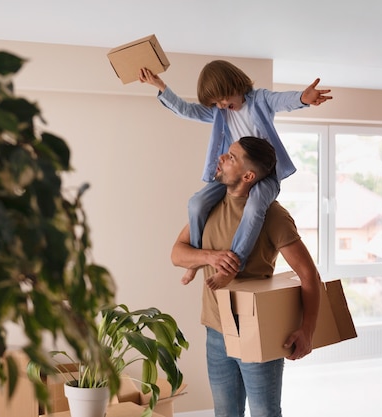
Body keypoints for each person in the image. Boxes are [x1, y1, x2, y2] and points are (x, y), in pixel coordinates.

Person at [139, 61, 332, 285]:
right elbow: (186, 110)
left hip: (265, 173)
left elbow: (282, 100)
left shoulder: (260, 100)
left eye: (223, 98)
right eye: (215, 103)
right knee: (196, 204)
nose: (221, 105)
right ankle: (196, 261)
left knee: (255, 206)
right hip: (235, 172)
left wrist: (302, 98)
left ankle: (234, 264)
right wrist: (160, 86)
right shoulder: (220, 113)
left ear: (235, 85)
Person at [170, 136, 321, 417]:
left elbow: (309, 274)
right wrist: (210, 257)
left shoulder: (274, 216)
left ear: (248, 175)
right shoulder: (209, 207)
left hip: (258, 329)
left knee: (264, 412)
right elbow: (177, 253)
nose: (222, 159)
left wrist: (308, 330)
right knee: (226, 413)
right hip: (216, 330)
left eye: (231, 157)